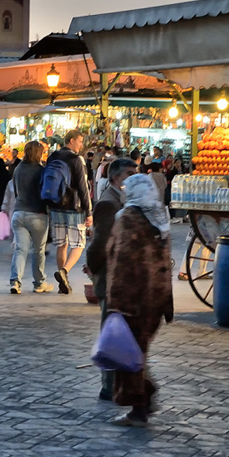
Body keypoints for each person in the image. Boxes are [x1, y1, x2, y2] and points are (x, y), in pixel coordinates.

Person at [105, 174, 173, 427]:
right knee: (137, 352)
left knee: (129, 354)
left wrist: (116, 302)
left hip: (132, 298)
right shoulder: (159, 217)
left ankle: (139, 406)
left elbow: (123, 263)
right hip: (155, 298)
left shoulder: (128, 219)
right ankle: (143, 396)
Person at [86, 158, 138, 400]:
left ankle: (115, 384)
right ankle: (109, 386)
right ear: (116, 177)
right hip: (110, 275)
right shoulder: (108, 203)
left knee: (116, 329)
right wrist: (95, 268)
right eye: (129, 173)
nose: (133, 177)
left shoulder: (120, 200)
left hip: (118, 275)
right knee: (111, 330)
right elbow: (101, 243)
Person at [47, 130, 93, 294]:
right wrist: (89, 211)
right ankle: (64, 271)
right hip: (75, 207)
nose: (81, 145)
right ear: (71, 140)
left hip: (56, 206)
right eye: (80, 141)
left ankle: (63, 284)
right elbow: (83, 187)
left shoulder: (52, 156)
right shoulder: (77, 159)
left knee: (61, 244)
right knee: (79, 245)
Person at [9, 141, 53, 294]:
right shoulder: (41, 170)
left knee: (20, 249)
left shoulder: (18, 169)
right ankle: (39, 283)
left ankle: (15, 281)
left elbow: (15, 190)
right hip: (37, 214)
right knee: (38, 250)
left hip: (19, 212)